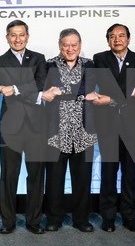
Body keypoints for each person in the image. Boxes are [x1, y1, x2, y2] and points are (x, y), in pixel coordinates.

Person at [92, 23, 135, 232]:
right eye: (112, 36)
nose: (117, 39)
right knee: (108, 171)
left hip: (132, 125)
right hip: (107, 124)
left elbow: (128, 89)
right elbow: (107, 85)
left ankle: (129, 216)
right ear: (108, 40)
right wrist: (131, 90)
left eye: (121, 35)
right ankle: (107, 217)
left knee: (130, 172)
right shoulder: (100, 58)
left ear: (129, 39)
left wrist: (115, 97)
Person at [0, 20, 47, 235]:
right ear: (7, 37)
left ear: (27, 36)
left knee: (36, 176)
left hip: (36, 127)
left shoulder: (39, 58)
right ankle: (8, 221)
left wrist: (16, 88)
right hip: (10, 126)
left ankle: (34, 221)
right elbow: (29, 87)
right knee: (9, 176)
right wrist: (29, 89)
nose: (17, 39)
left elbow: (41, 83)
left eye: (21, 35)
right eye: (13, 35)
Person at [42, 28, 99, 233]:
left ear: (80, 46)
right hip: (56, 130)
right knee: (54, 179)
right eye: (66, 44)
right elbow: (52, 88)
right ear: (60, 45)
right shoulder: (48, 64)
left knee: (82, 179)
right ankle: (54, 218)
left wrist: (64, 91)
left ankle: (81, 219)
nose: (70, 48)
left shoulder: (89, 64)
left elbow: (87, 86)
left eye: (74, 45)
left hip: (83, 130)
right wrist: (81, 94)